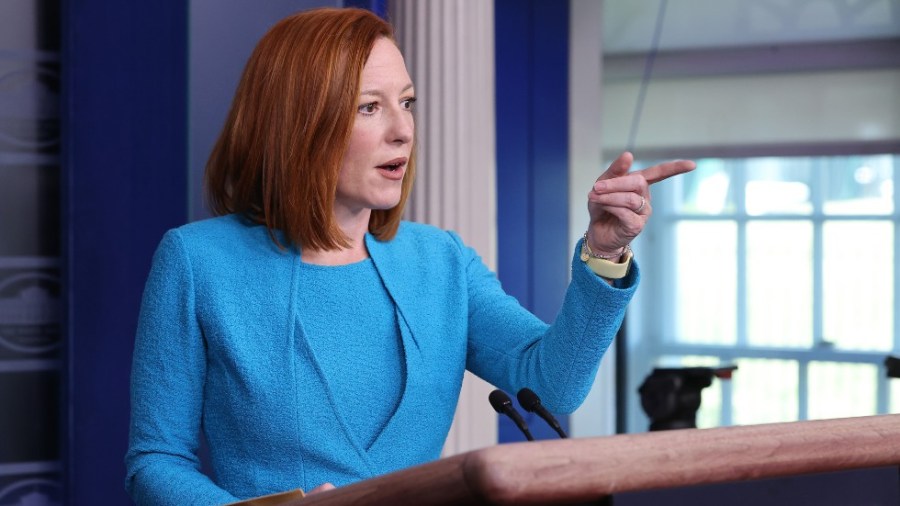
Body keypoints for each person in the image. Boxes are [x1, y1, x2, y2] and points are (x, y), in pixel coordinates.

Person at [124, 7, 694, 505]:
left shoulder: (441, 261)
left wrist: (604, 251)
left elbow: (552, 386)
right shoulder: (197, 263)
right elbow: (155, 461)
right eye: (369, 107)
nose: (403, 130)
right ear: (299, 123)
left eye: (408, 102)